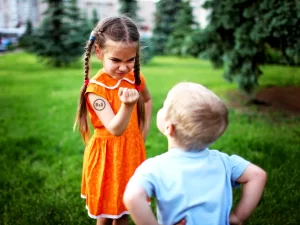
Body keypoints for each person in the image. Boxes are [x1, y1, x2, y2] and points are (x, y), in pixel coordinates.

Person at [123, 82, 267, 225]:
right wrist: (237, 216)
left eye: (164, 107)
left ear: (169, 128)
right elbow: (257, 175)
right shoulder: (224, 162)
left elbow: (132, 197)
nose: (160, 110)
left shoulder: (155, 168)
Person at [73, 16, 152, 225]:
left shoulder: (135, 78)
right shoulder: (95, 90)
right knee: (106, 215)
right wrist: (127, 106)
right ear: (99, 52)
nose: (124, 67)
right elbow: (115, 128)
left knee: (125, 210)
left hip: (131, 153)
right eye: (116, 60)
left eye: (130, 60)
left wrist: (144, 130)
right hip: (107, 156)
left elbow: (148, 99)